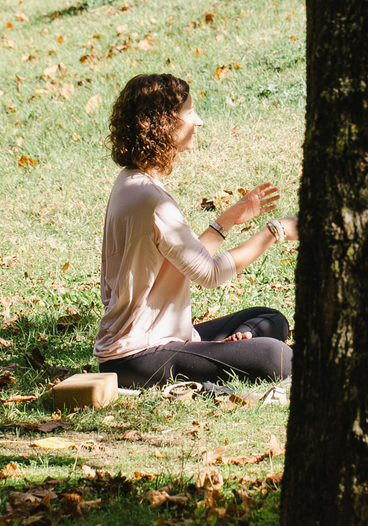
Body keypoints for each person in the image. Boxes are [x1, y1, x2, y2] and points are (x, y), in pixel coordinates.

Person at [94, 73, 297, 389]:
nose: (198, 121)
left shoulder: (131, 183)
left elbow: (184, 261)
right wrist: (276, 231)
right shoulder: (150, 200)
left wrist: (227, 219)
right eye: (189, 112)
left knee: (271, 319)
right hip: (140, 355)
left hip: (163, 339)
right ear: (164, 123)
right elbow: (211, 274)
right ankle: (233, 352)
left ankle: (234, 346)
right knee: (277, 358)